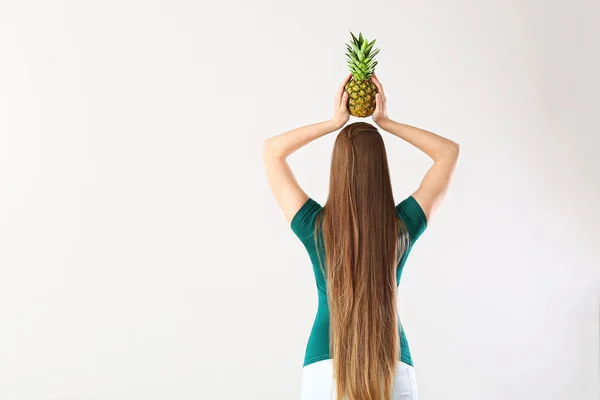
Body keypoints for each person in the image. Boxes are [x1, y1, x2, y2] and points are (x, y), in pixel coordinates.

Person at [262, 73, 459, 400]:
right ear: (382, 169)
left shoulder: (315, 226)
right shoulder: (402, 227)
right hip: (391, 363)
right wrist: (386, 122)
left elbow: (272, 151)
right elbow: (448, 153)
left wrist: (334, 122)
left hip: (323, 366)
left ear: (336, 169)